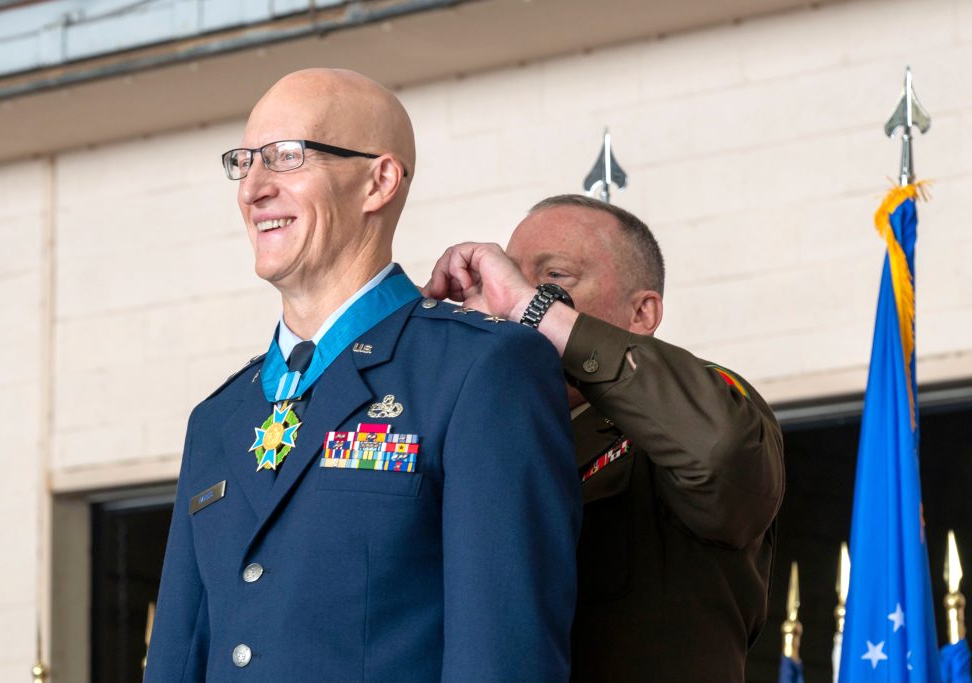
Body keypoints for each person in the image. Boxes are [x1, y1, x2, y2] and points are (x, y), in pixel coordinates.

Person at [144, 70, 581, 683]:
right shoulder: (218, 418)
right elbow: (177, 658)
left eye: (287, 157)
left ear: (378, 181)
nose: (253, 190)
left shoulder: (480, 370)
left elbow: (504, 658)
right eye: (245, 162)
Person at [424, 194, 786, 683]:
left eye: (554, 276)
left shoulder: (695, 407)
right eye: (505, 276)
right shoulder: (480, 433)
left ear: (642, 314)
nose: (507, 293)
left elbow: (721, 454)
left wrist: (533, 309)